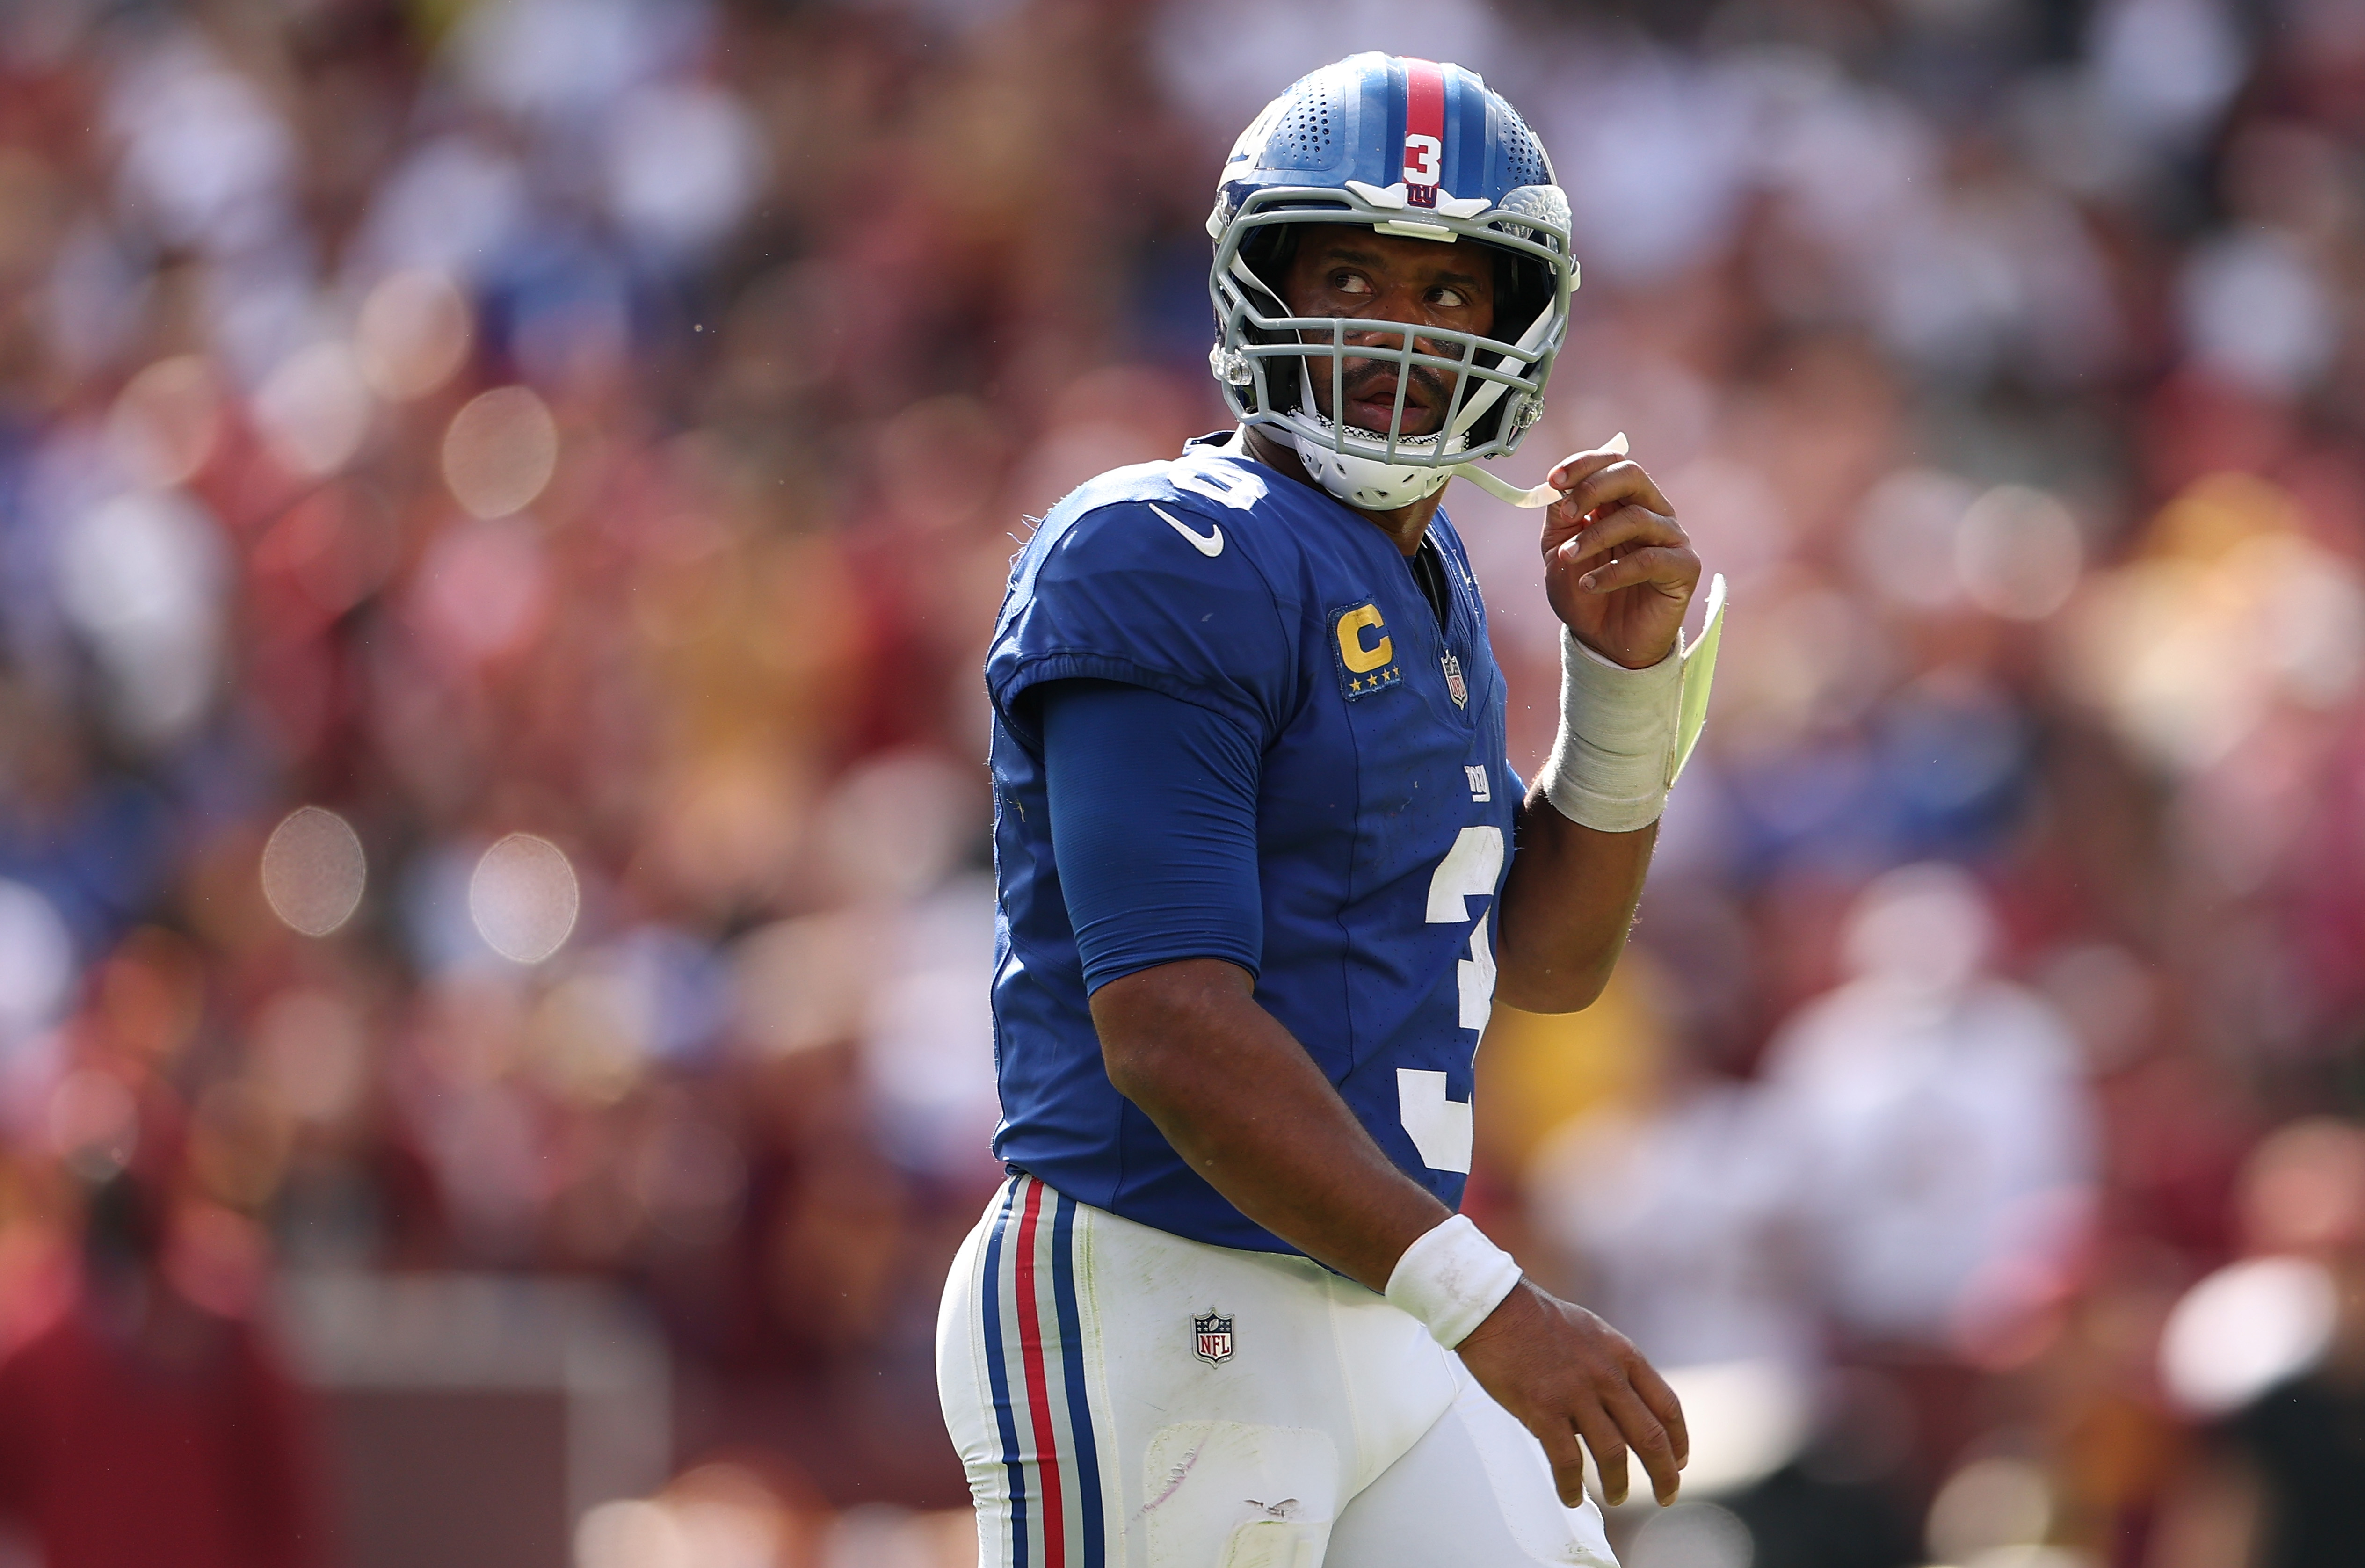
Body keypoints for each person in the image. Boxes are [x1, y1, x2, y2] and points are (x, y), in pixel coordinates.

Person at [938, 54, 1718, 1567]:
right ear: (1260, 285)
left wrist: (1621, 689)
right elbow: (1166, 1022)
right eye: (1351, 277)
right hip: (1161, 1285)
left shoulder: (1424, 579)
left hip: (1383, 1301)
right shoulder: (1164, 547)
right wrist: (1490, 1303)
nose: (1397, 330)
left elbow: (1543, 965)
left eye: (1447, 292)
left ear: (1515, 324)